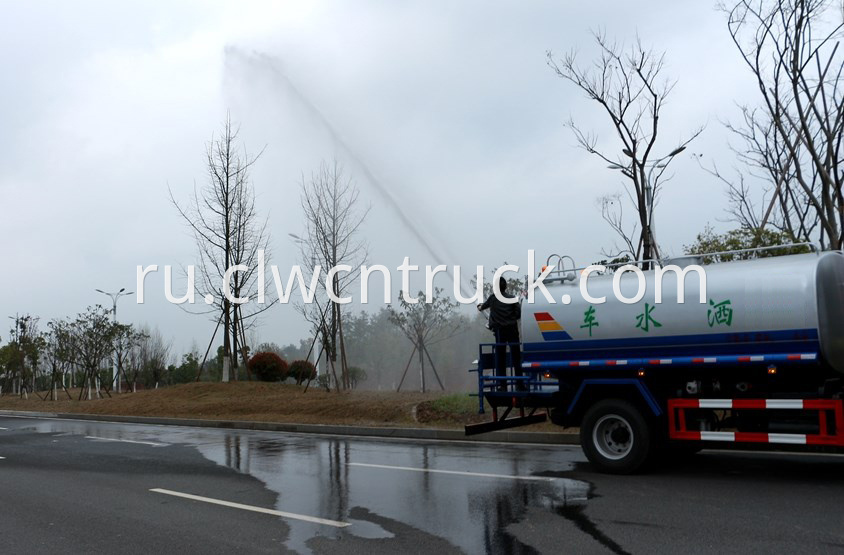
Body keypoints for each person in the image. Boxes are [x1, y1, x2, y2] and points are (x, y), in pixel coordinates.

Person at [478, 276, 522, 391]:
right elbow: (518, 314)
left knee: (501, 358)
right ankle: (520, 384)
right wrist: (510, 319)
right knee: (516, 357)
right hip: (512, 330)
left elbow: (482, 307)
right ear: (505, 286)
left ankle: (502, 386)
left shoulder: (493, 299)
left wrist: (480, 306)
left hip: (500, 332)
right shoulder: (512, 298)